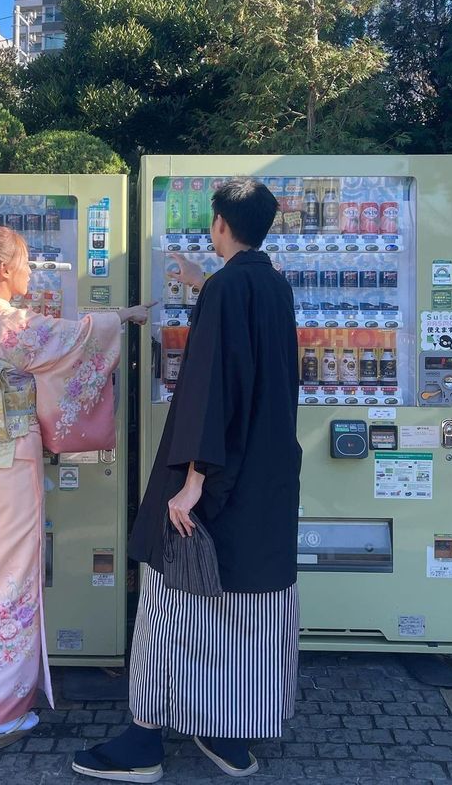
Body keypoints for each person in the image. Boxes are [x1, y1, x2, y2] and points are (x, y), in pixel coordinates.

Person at [73, 179, 302, 782]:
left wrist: (194, 479)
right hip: (265, 479)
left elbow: (211, 388)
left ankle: (144, 742)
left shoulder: (229, 289)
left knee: (170, 597)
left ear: (221, 223)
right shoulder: (273, 284)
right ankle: (227, 733)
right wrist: (205, 282)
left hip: (216, 480)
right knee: (248, 612)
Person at [0, 223, 152, 757]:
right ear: (4, 269)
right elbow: (79, 338)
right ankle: (2, 716)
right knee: (10, 584)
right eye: (25, 262)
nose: (30, 272)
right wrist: (127, 317)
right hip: (11, 466)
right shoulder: (13, 326)